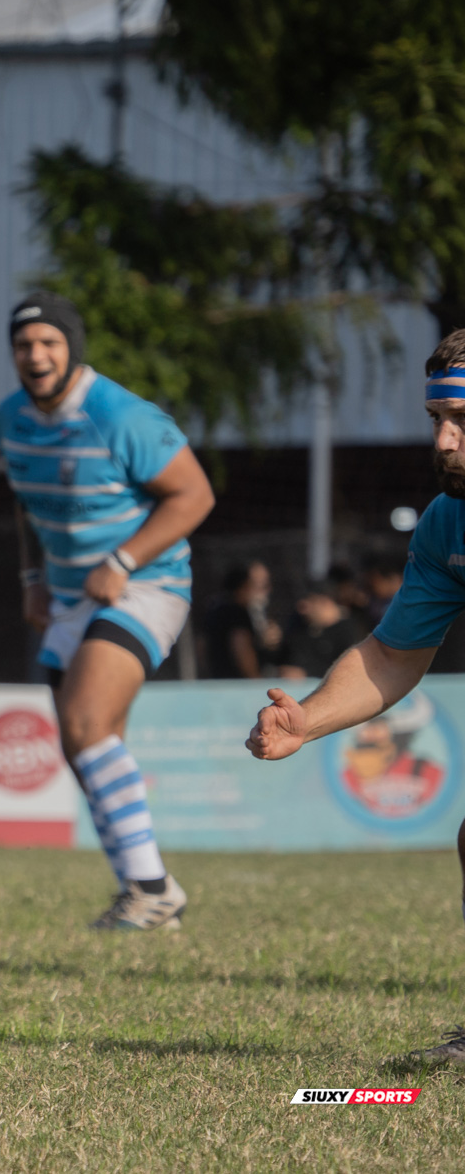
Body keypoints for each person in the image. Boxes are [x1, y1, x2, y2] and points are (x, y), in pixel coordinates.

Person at [246, 328, 465, 1063]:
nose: (444, 439)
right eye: (436, 419)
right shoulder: (446, 523)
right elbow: (392, 652)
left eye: (462, 420)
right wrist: (309, 719)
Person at [0, 291, 214, 931]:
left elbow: (194, 495)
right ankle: (145, 893)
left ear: (72, 350)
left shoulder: (120, 414)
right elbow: (24, 501)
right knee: (82, 743)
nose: (36, 356)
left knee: (87, 722)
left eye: (49, 344)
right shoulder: (9, 417)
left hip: (148, 585)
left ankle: (152, 890)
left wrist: (120, 563)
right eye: (24, 345)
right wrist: (33, 576)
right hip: (69, 595)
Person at [202, 561, 280, 679]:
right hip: (238, 684)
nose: (267, 591)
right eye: (261, 586)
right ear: (242, 586)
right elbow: (241, 645)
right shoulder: (236, 613)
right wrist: (255, 679)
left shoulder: (216, 608)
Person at [276, 580, 362, 680]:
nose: (303, 610)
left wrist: (306, 673)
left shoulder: (348, 632)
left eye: (310, 604)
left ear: (325, 603)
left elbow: (347, 669)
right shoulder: (298, 625)